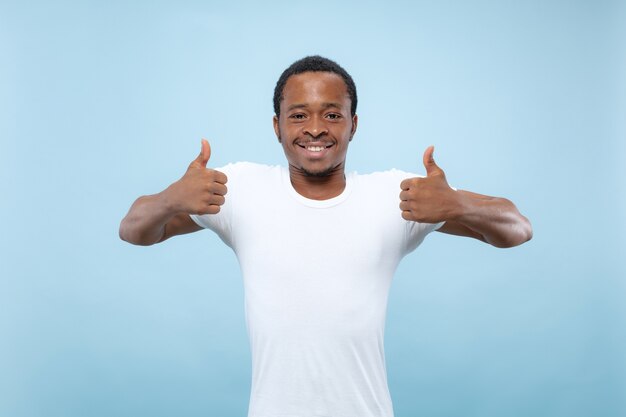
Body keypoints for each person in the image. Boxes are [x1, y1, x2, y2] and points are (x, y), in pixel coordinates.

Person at [120, 55, 532, 417]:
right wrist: (171, 198)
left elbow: (517, 228)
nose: (315, 128)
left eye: (332, 114)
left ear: (353, 125)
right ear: (276, 126)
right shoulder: (240, 188)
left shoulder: (396, 196)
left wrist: (458, 205)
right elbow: (135, 230)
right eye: (298, 115)